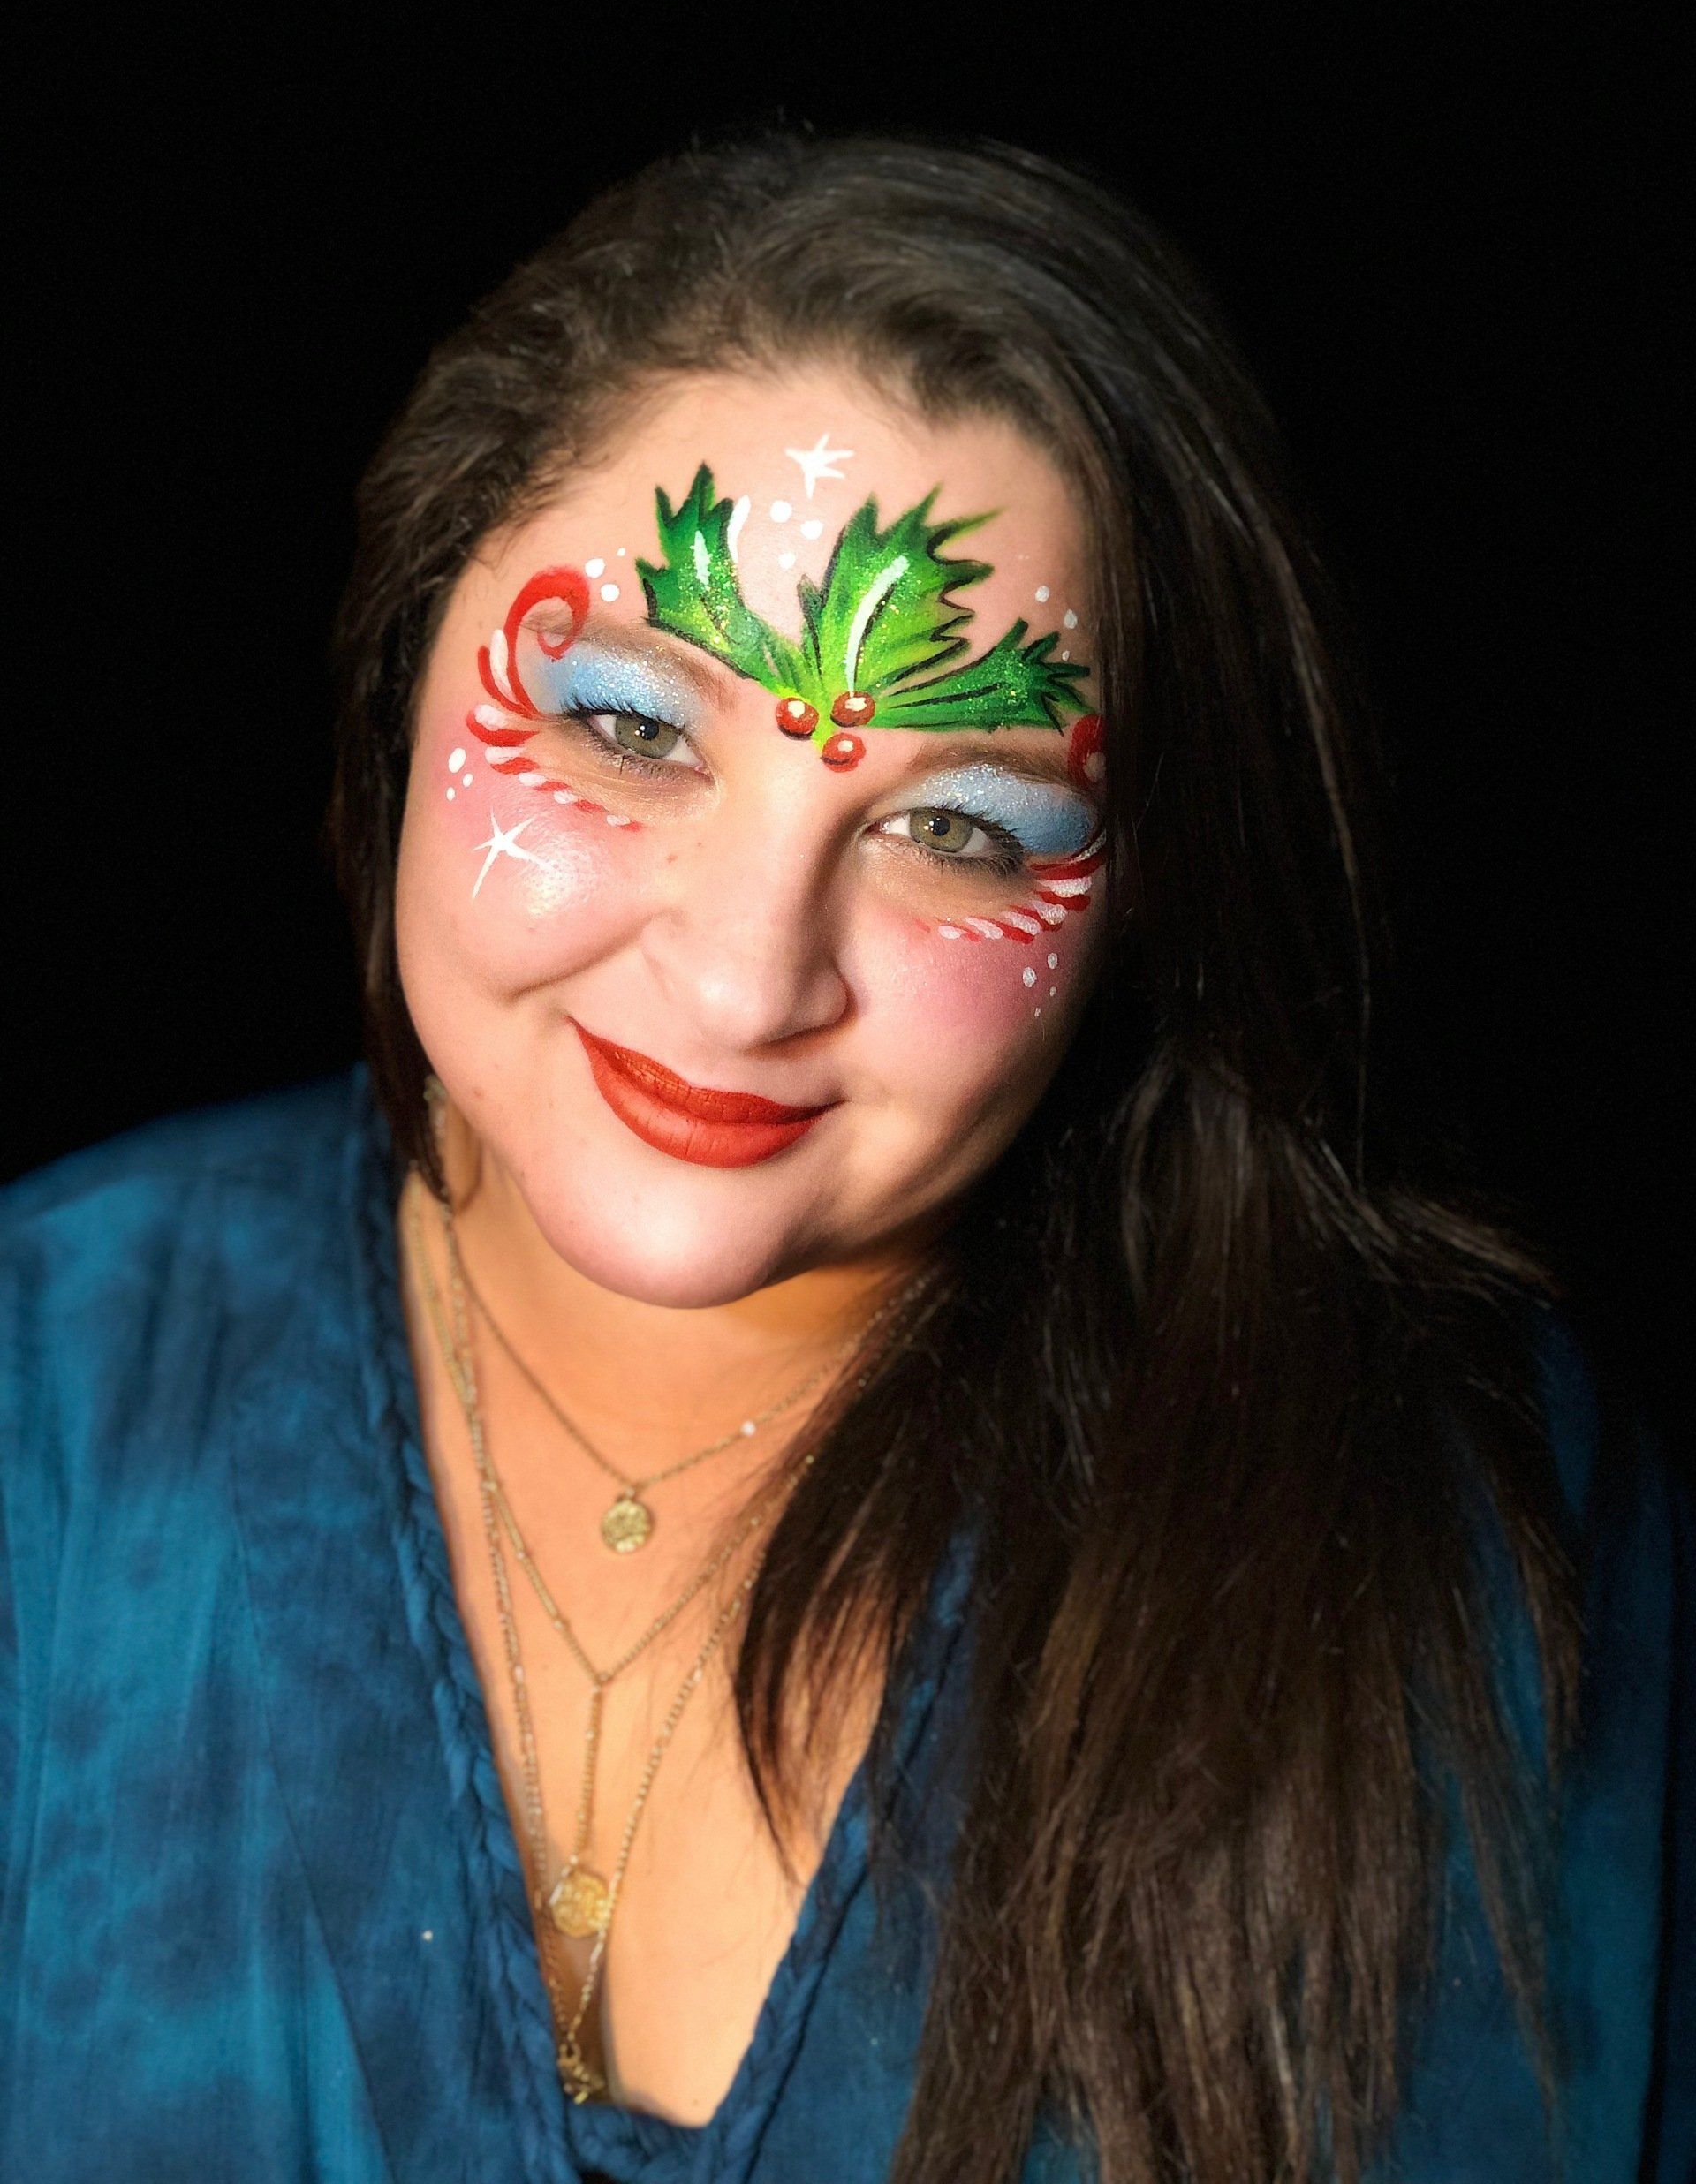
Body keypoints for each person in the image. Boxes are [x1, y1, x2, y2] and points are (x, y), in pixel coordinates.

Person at [0, 127, 1687, 2184]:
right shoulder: (44, 1397)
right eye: (630, 725)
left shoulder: (1472, 1527)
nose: (737, 982)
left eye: (960, 824)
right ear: (408, 631)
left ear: (1147, 892)